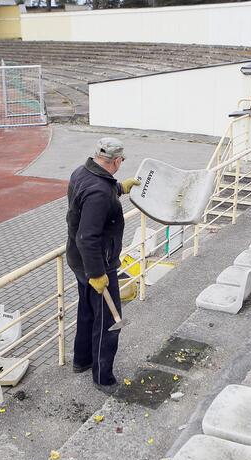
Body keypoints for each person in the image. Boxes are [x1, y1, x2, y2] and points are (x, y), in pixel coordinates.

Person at [65, 137, 141, 392]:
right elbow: (88, 236)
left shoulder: (82, 172)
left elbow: (92, 195)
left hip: (78, 260)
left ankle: (82, 360)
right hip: (97, 263)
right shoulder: (99, 191)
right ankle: (103, 377)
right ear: (116, 160)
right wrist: (98, 273)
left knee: (87, 312)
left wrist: (119, 188)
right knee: (108, 321)